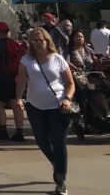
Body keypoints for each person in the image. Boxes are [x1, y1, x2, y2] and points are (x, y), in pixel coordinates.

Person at [17, 27, 75, 195]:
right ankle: (57, 164)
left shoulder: (58, 59)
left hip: (58, 107)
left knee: (58, 142)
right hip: (35, 106)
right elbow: (21, 80)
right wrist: (18, 98)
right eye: (33, 40)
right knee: (42, 141)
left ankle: (61, 180)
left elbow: (70, 84)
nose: (36, 43)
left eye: (39, 40)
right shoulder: (26, 60)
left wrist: (67, 99)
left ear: (47, 40)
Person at [0, 22, 26, 142]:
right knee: (16, 102)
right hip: (15, 77)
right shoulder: (15, 43)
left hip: (2, 77)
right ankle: (19, 132)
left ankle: (3, 131)